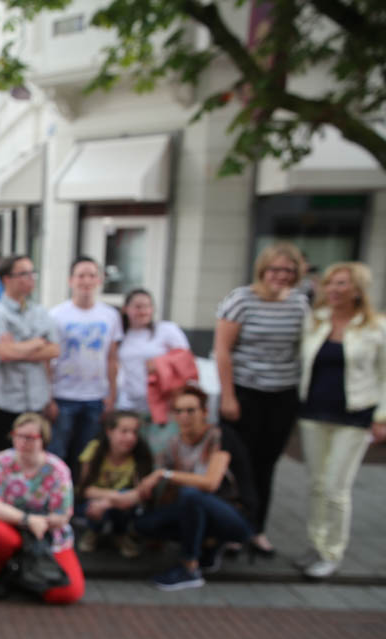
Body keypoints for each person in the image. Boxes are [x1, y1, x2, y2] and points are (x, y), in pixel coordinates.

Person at [214, 241, 309, 557]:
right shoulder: (241, 301)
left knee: (267, 465)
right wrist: (228, 396)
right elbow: (223, 351)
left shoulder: (299, 304)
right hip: (246, 393)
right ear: (263, 269)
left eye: (288, 270)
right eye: (275, 269)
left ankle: (257, 529)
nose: (281, 275)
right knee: (240, 463)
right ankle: (233, 529)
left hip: (282, 395)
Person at [295, 262, 386, 579]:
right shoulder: (315, 321)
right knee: (316, 485)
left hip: (354, 416)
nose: (333, 289)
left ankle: (332, 552)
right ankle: (315, 544)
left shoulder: (376, 327)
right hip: (313, 414)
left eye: (342, 283)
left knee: (336, 487)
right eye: (330, 283)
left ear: (358, 289)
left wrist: (381, 417)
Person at [133, 386, 256, 591]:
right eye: (179, 411)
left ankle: (189, 568)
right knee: (144, 523)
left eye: (191, 410)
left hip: (234, 514)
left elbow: (210, 483)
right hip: (197, 510)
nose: (184, 417)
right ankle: (208, 546)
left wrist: (164, 474)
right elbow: (160, 486)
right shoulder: (174, 444)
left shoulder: (220, 436)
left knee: (191, 494)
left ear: (205, 412)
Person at [0, 413, 85, 605]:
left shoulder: (57, 469)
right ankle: (0, 569)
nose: (22, 442)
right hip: (11, 526)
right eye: (18, 435)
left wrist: (42, 523)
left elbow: (62, 515)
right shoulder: (0, 462)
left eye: (30, 437)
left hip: (47, 534)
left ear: (43, 439)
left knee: (69, 592)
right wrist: (28, 520)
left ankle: (22, 577)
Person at [0, 254, 60, 457]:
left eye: (32, 273)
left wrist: (18, 348)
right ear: (7, 279)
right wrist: (36, 343)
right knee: (3, 459)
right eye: (24, 274)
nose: (31, 278)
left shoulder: (41, 312)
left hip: (36, 402)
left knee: (35, 459)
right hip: (5, 403)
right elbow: (4, 353)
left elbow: (54, 351)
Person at [47, 256, 122, 463]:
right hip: (63, 396)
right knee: (57, 452)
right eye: (81, 275)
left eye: (92, 275)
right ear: (71, 280)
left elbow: (112, 357)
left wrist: (112, 395)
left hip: (96, 398)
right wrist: (49, 397)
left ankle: (81, 494)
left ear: (99, 280)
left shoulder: (110, 315)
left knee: (86, 455)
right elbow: (47, 359)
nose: (86, 281)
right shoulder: (56, 315)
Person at [115, 288, 192, 453]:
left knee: (160, 451)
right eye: (137, 306)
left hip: (163, 404)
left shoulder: (167, 330)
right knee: (135, 453)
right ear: (126, 309)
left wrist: (160, 363)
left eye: (147, 306)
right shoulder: (121, 335)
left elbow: (186, 362)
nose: (143, 311)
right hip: (131, 406)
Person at [75, 411, 153, 557]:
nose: (130, 437)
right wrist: (113, 497)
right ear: (109, 432)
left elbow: (141, 493)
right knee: (94, 505)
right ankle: (94, 531)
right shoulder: (95, 449)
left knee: (125, 503)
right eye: (124, 431)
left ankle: (120, 535)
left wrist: (109, 503)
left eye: (134, 432)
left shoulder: (140, 454)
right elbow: (83, 489)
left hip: (124, 505)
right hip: (97, 502)